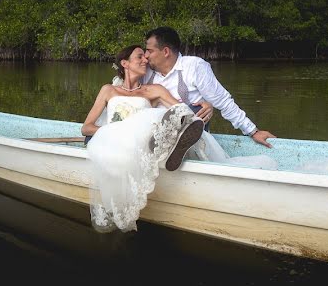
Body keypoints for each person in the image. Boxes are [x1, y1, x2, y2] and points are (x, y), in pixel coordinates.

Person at [81, 44, 205, 232]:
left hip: (142, 145)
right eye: (139, 57)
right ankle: (167, 146)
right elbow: (86, 127)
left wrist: (205, 106)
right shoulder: (108, 90)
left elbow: (181, 109)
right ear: (125, 63)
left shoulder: (154, 90)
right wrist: (114, 131)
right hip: (116, 144)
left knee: (169, 114)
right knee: (146, 119)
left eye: (145, 57)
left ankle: (170, 145)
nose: (145, 60)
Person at [140, 27, 276, 147]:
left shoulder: (194, 67)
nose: (145, 56)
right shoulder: (144, 70)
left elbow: (223, 101)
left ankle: (179, 147)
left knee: (196, 109)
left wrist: (253, 131)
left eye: (149, 51)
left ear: (165, 52)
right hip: (153, 131)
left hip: (189, 132)